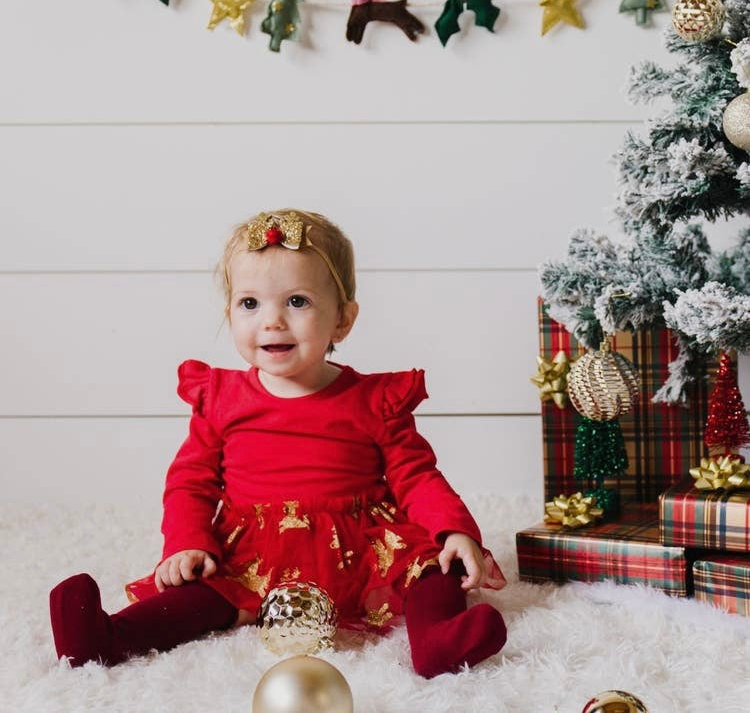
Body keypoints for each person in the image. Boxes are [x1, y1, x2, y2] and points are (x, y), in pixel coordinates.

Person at [49, 208, 507, 678]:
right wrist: (187, 544)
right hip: (254, 553)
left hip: (362, 550)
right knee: (201, 595)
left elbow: (417, 477)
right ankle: (106, 637)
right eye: (250, 304)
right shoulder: (221, 399)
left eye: (297, 302)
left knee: (434, 569)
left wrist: (454, 531)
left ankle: (437, 641)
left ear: (343, 320)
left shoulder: (374, 400)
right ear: (229, 313)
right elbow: (191, 481)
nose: (272, 322)